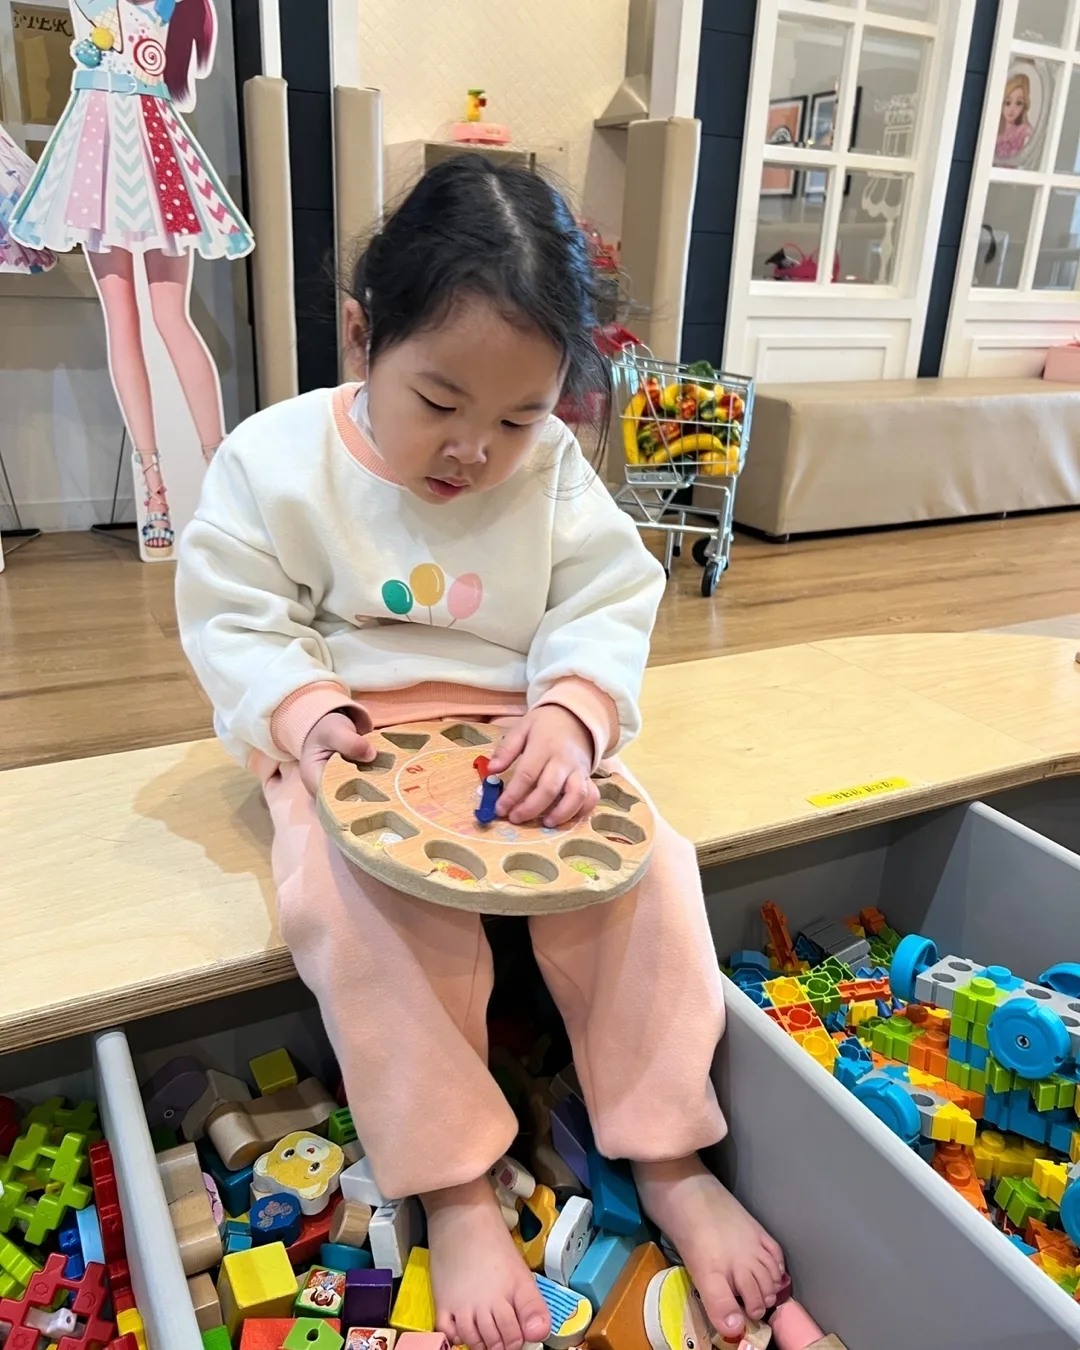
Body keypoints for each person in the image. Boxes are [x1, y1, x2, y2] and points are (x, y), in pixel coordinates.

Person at [175, 155, 785, 1350]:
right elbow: (235, 614)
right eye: (440, 403)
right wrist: (301, 711)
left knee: (650, 869)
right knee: (356, 904)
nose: (474, 450)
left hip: (513, 725)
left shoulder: (550, 472)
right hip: (351, 733)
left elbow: (607, 596)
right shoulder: (273, 458)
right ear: (362, 337)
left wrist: (571, 715)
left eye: (516, 417)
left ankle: (668, 1154)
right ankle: (454, 1184)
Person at [11, 0, 254, 556]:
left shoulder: (159, 7)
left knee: (160, 318)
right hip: (115, 158)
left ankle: (199, 476)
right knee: (138, 320)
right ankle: (162, 486)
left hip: (137, 154)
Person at [995, 73, 1034, 165]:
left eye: (1019, 103)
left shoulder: (1023, 131)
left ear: (1024, 107)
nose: (1012, 109)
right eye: (1008, 103)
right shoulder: (995, 131)